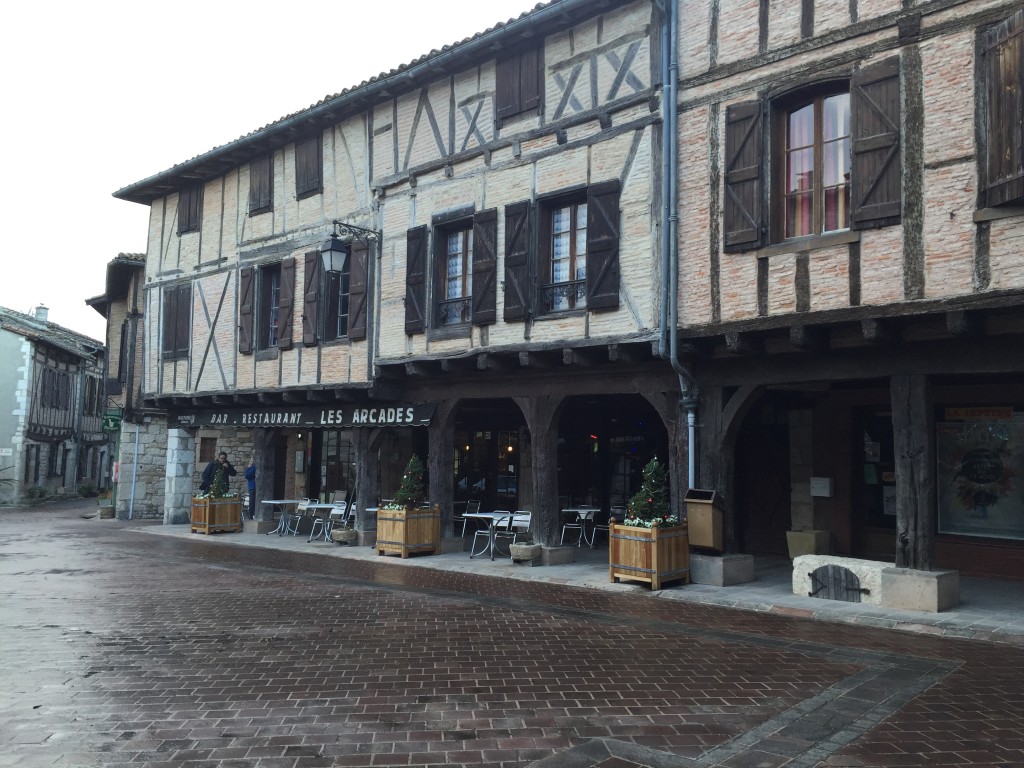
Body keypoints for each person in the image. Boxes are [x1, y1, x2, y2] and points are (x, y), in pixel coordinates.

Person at [244, 454, 257, 520]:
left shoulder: (254, 467)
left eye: (251, 459)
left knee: (252, 503)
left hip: (253, 487)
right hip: (252, 487)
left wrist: (249, 467)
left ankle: (251, 516)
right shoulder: (253, 467)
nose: (250, 461)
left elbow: (246, 475)